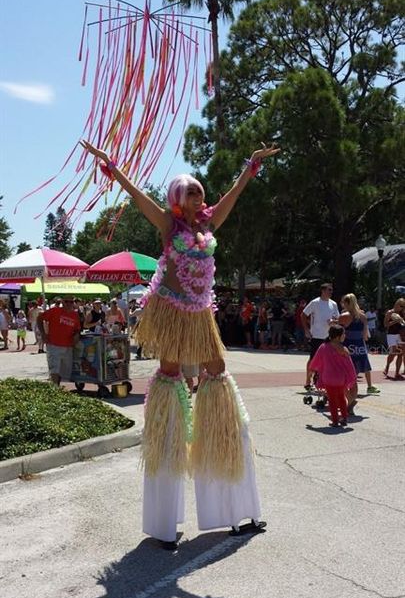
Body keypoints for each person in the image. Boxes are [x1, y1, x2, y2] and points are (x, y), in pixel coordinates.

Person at [81, 137, 279, 549]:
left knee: (218, 374)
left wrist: (251, 165)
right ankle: (165, 519)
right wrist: (111, 166)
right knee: (170, 376)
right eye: (189, 190)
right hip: (171, 313)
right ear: (176, 198)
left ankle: (232, 502)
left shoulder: (209, 224)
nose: (198, 194)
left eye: (199, 190)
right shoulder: (169, 225)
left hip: (202, 316)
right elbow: (136, 195)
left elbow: (233, 196)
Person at [309, 325, 357, 428]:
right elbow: (349, 366)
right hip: (340, 379)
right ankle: (344, 418)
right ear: (337, 336)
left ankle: (335, 421)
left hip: (328, 378)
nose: (345, 335)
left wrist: (312, 371)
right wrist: (352, 377)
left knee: (332, 400)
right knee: (341, 398)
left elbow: (315, 362)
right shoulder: (344, 349)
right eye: (343, 334)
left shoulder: (323, 347)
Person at [338, 293, 380, 395]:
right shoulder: (362, 316)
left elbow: (338, 333)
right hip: (359, 344)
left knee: (345, 366)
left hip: (348, 344)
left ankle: (344, 388)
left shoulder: (344, 316)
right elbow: (365, 335)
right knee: (363, 364)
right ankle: (368, 386)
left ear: (347, 303)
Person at [37, 296, 81, 385]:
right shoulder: (55, 311)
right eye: (66, 301)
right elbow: (39, 318)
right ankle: (55, 388)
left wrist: (76, 335)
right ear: (62, 302)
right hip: (53, 345)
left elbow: (77, 329)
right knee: (54, 368)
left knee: (64, 371)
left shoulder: (75, 315)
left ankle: (57, 386)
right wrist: (43, 334)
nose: (68, 304)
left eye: (71, 302)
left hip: (68, 346)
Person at [302, 283, 339, 388]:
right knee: (313, 359)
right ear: (323, 291)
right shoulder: (315, 302)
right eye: (329, 290)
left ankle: (320, 380)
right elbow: (303, 315)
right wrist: (306, 329)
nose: (331, 292)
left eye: (331, 290)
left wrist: (333, 322)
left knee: (326, 360)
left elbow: (338, 318)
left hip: (329, 336)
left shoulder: (334, 304)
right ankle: (308, 381)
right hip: (317, 336)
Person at [383, 298, 405, 380]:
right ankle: (387, 367)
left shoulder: (402, 313)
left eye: (403, 306)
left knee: (400, 353)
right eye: (401, 305)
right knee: (393, 353)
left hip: (400, 335)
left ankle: (397, 373)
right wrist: (396, 321)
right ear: (396, 304)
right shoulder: (390, 312)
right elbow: (385, 324)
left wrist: (401, 320)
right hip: (391, 334)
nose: (402, 308)